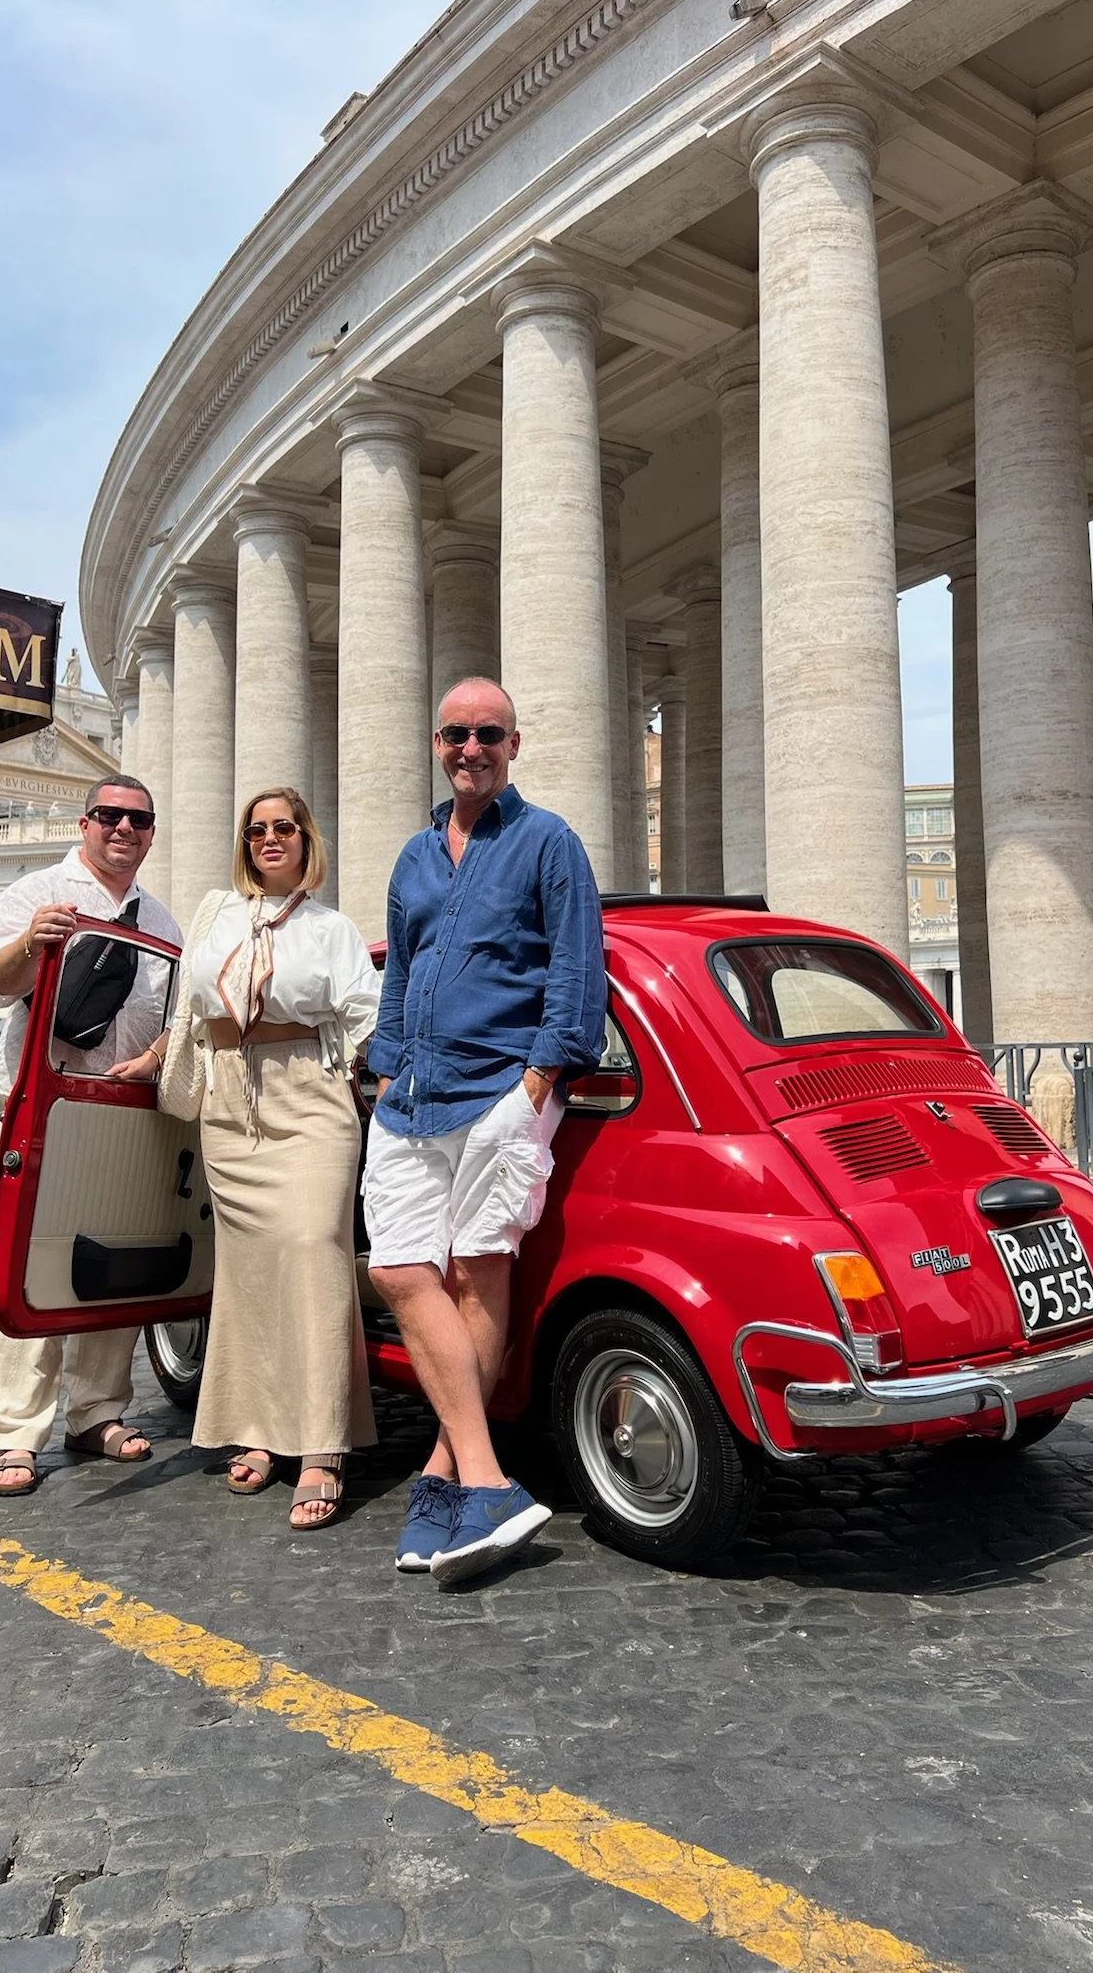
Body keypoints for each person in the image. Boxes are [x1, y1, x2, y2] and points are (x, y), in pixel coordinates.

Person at [365, 678, 607, 1583]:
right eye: (457, 734)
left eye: (489, 735)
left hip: (502, 1091)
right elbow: (401, 972)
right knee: (399, 1269)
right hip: (412, 1095)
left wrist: (534, 1084)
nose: (472, 748)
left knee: (476, 1272)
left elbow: (577, 973)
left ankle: (446, 1479)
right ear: (437, 743)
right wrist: (385, 1067)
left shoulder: (549, 842)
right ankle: (483, 1479)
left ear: (514, 745)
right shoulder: (414, 856)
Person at [112, 786, 380, 1529]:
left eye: (284, 828)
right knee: (250, 1273)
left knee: (313, 1251)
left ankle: (323, 1443)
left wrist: (393, 1086)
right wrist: (153, 1060)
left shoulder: (332, 929)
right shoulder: (217, 916)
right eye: (257, 830)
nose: (269, 839)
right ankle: (258, 1426)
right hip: (229, 1105)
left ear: (306, 840)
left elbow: (368, 1018)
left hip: (310, 1098)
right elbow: (190, 1013)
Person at [0, 777, 182, 1496]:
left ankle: (97, 1412)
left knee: (110, 1260)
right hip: (44, 1105)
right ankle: (15, 1431)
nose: (124, 828)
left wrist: (156, 1058)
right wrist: (31, 943)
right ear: (85, 823)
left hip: (123, 1108)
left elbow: (176, 1019)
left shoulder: (162, 921)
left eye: (138, 820)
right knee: (25, 1257)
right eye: (109, 816)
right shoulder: (38, 893)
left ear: (151, 833)